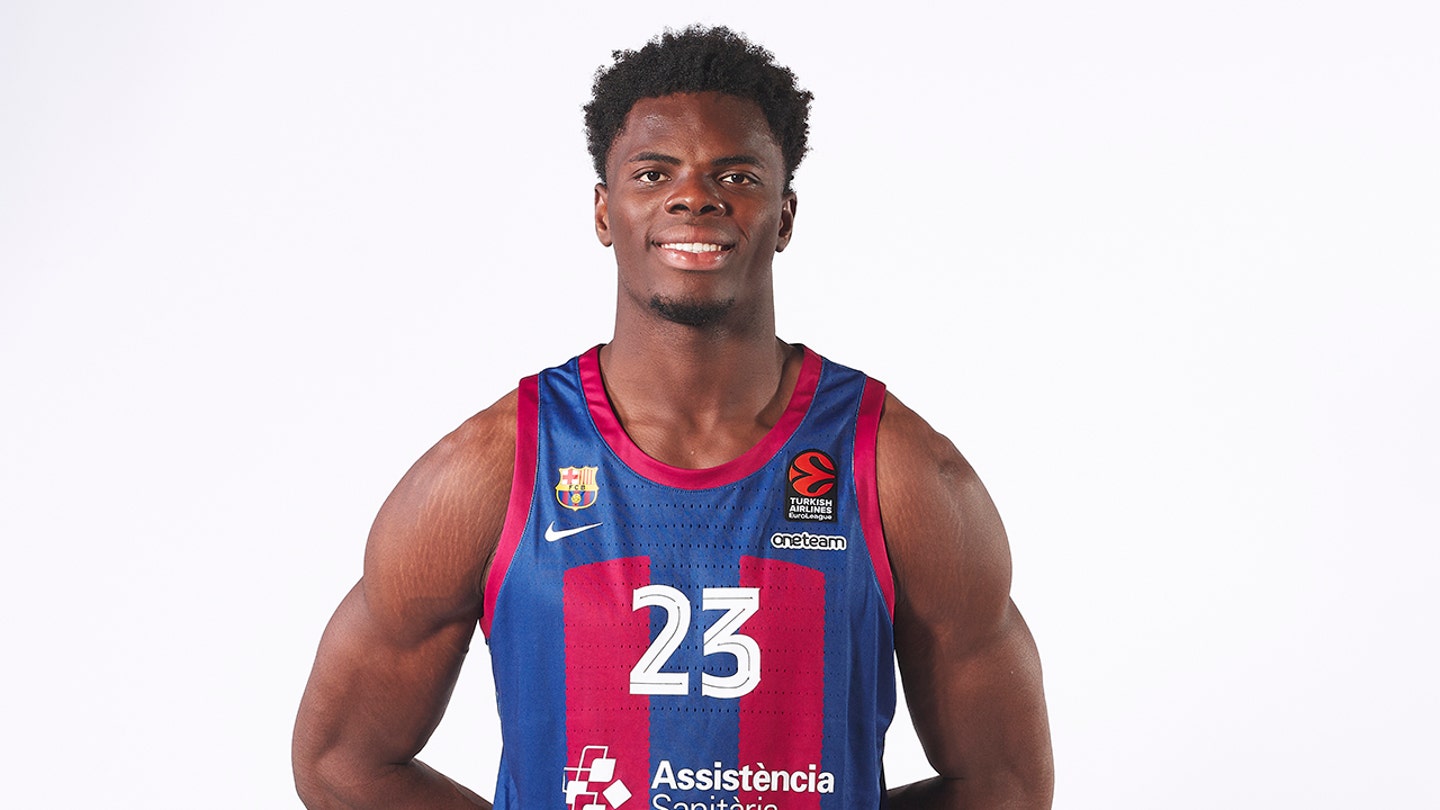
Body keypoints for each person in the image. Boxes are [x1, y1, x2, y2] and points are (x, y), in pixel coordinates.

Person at [293, 25, 1053, 810]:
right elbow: (343, 762)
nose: (695, 196)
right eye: (654, 173)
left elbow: (1006, 784)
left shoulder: (898, 472)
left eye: (737, 175)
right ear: (604, 211)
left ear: (784, 217)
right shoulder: (492, 470)